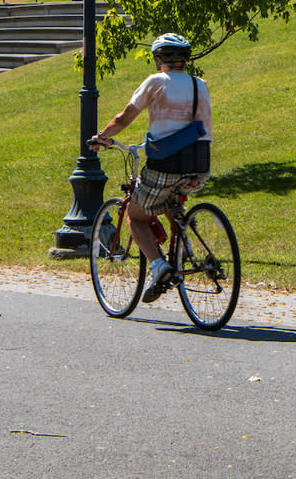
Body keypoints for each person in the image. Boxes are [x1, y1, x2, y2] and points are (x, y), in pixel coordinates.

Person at [88, 33, 213, 303]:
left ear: (159, 59)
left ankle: (159, 267)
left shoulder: (156, 82)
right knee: (169, 201)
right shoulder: (199, 84)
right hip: (199, 165)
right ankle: (184, 248)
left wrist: (102, 137)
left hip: (166, 164)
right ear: (185, 60)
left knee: (136, 215)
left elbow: (124, 117)